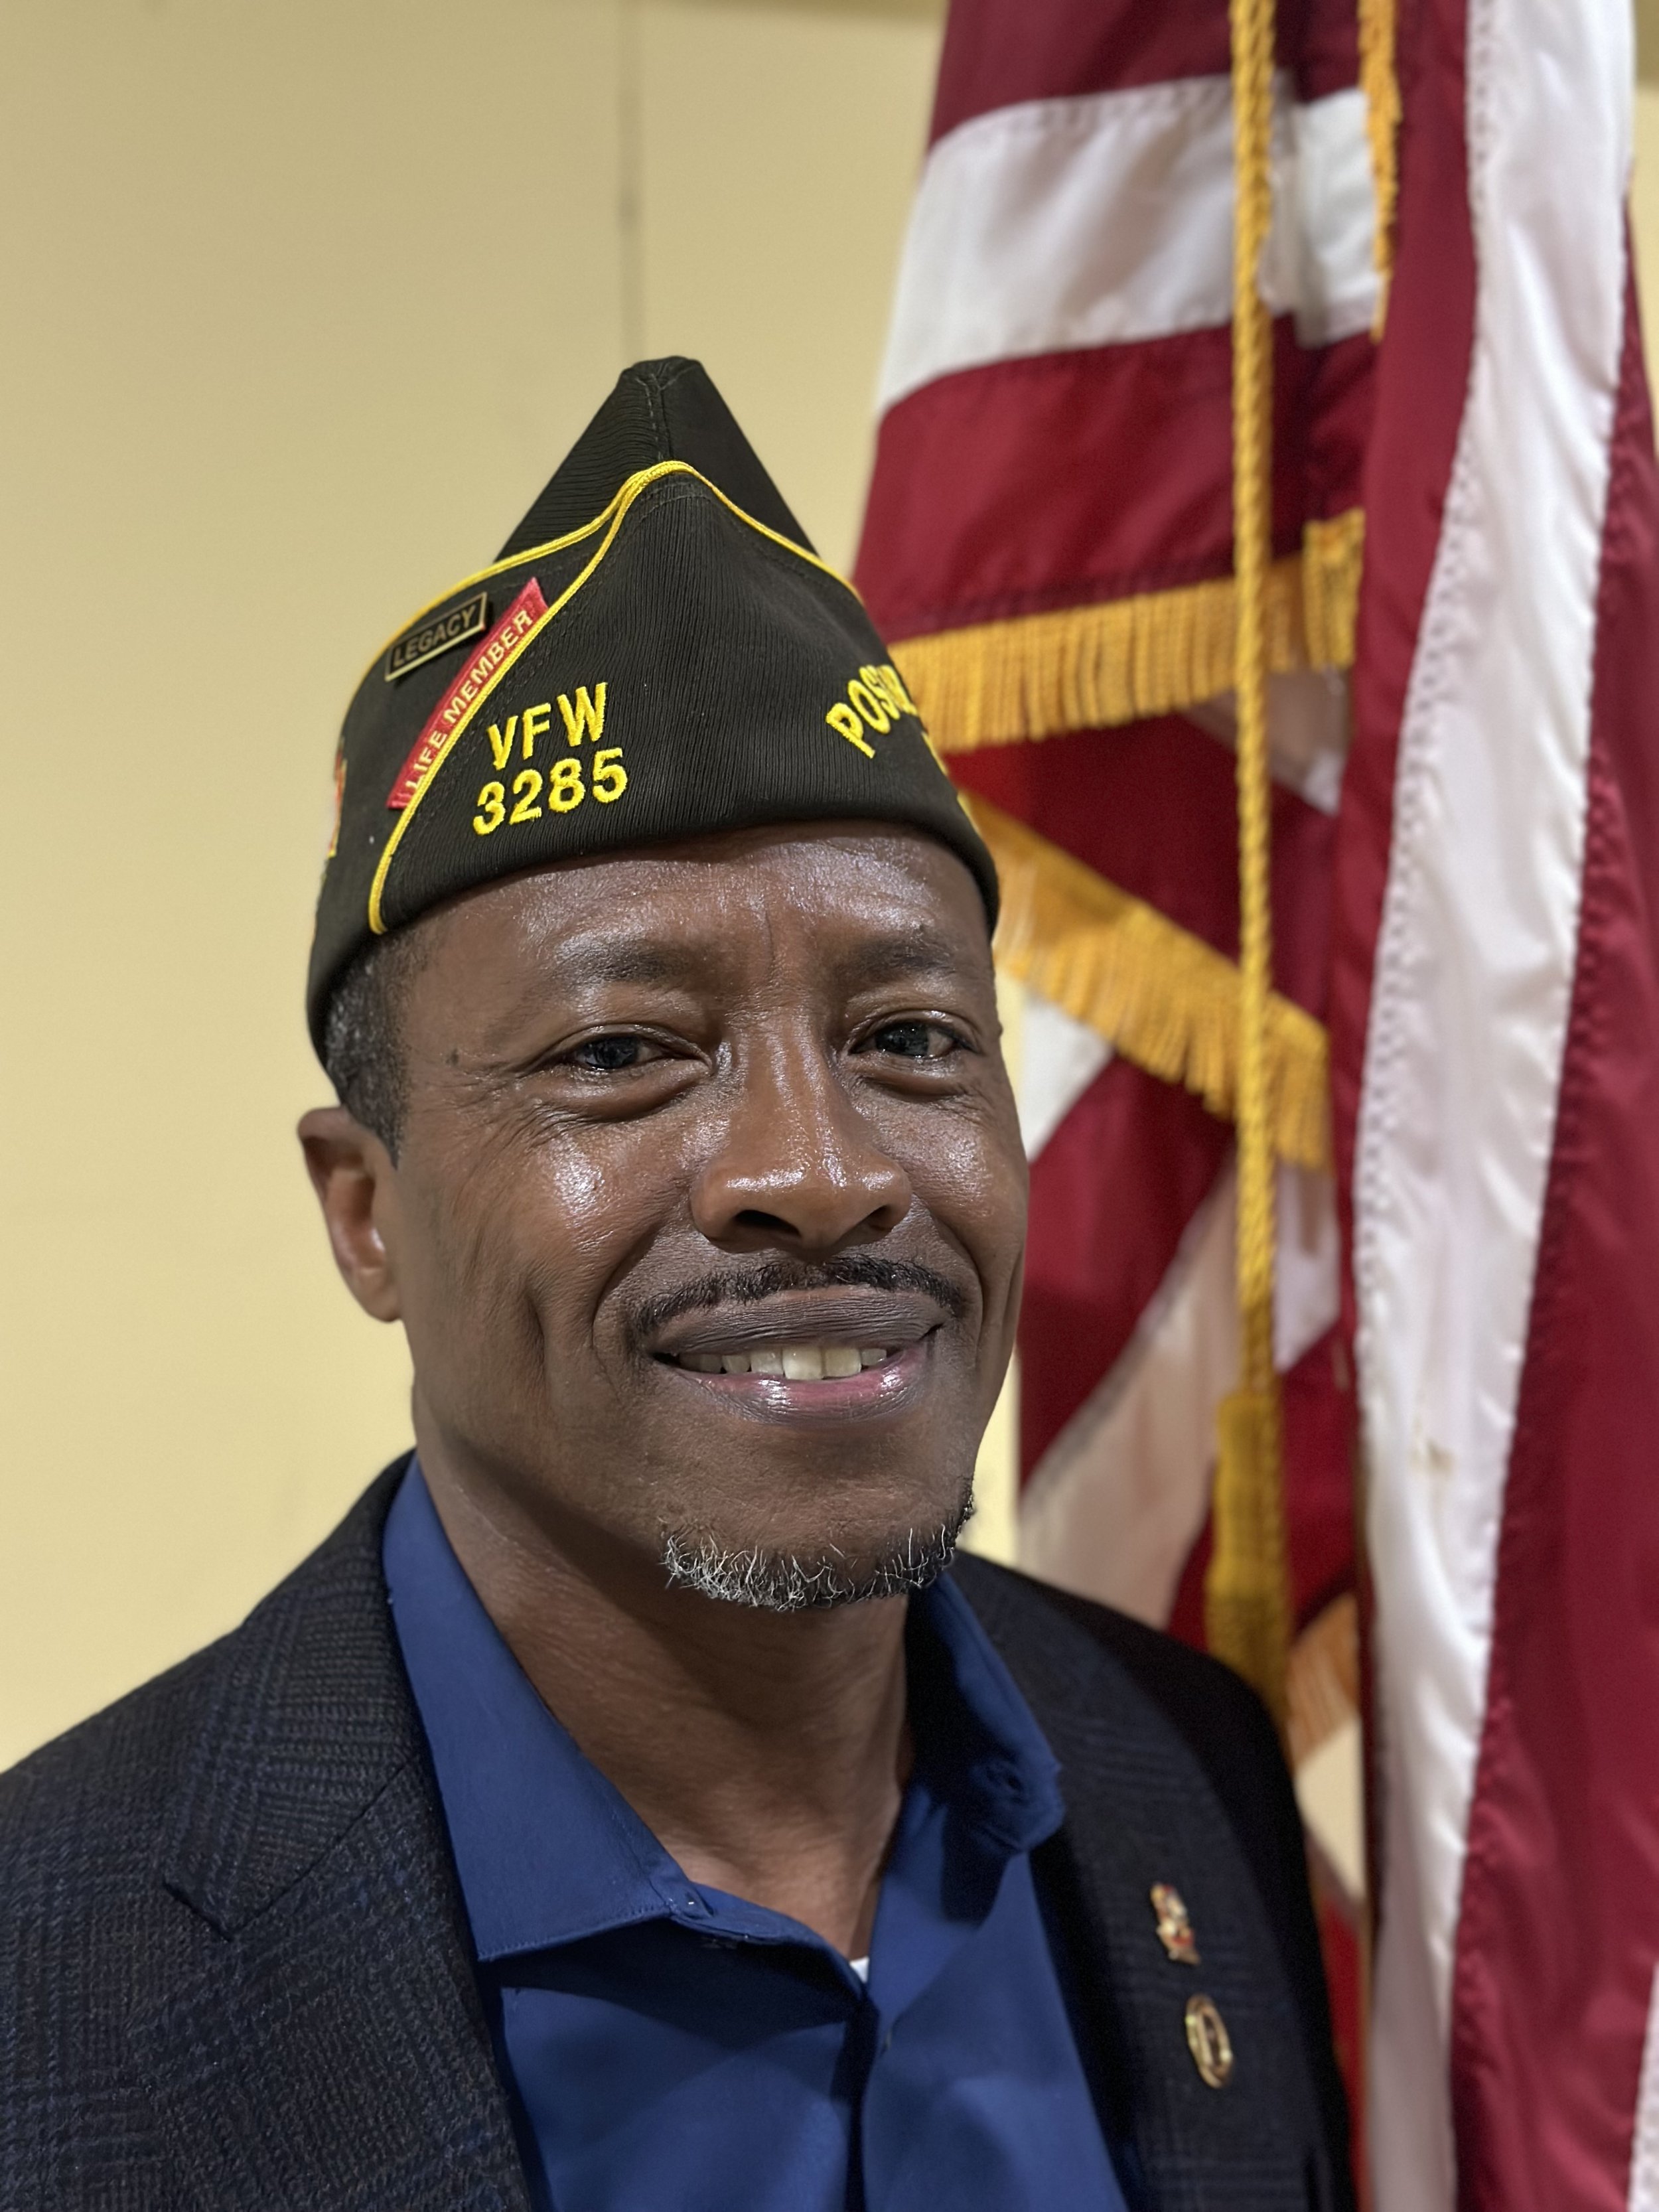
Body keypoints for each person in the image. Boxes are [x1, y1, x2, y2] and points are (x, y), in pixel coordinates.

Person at [0, 358, 1352, 2211]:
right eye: (622, 1055)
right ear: (365, 1213)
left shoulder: (1184, 1776)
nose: (817, 1173)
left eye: (906, 1037)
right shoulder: (48, 1978)